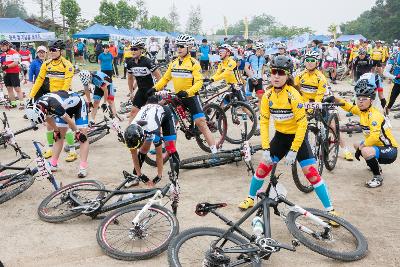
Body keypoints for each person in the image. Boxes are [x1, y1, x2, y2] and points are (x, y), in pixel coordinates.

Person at [238, 55, 339, 223]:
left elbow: (302, 124)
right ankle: (250, 197)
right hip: (280, 138)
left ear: (288, 76)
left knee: (311, 174)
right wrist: (265, 147)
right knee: (263, 168)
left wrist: (294, 149)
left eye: (281, 73)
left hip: (297, 137)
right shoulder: (268, 96)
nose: (276, 76)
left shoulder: (293, 95)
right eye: (273, 72)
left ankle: (331, 211)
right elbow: (263, 122)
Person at [148, 34, 220, 158]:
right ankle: (166, 148)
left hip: (191, 97)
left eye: (182, 46)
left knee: (201, 123)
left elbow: (199, 82)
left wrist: (188, 92)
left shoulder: (194, 63)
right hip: (178, 97)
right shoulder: (174, 63)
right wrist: (154, 88)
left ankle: (215, 152)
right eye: (177, 46)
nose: (179, 49)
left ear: (189, 47)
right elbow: (165, 79)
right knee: (169, 122)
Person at [335, 77, 398, 188]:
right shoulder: (362, 111)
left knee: (364, 150)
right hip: (377, 146)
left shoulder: (374, 116)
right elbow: (349, 107)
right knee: (356, 144)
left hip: (390, 149)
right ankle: (374, 164)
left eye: (364, 99)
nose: (360, 101)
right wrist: (335, 99)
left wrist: (361, 148)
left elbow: (373, 137)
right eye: (359, 98)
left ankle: (378, 177)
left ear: (372, 101)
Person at [295, 50, 353, 161]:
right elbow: (295, 92)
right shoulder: (300, 75)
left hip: (324, 99)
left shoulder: (320, 77)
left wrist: (311, 108)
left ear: (317, 63)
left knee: (333, 127)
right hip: (306, 103)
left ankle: (345, 150)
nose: (310, 62)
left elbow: (318, 97)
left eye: (313, 60)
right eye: (307, 60)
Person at [29, 40, 76, 161]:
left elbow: (66, 84)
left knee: (64, 124)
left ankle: (72, 150)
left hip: (64, 96)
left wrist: (59, 98)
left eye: (54, 50)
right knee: (49, 123)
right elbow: (39, 81)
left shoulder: (67, 65)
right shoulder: (46, 64)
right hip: (51, 96)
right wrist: (31, 96)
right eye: (50, 50)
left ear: (60, 51)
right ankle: (50, 148)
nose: (51, 52)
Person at [25, 90, 90, 178]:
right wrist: (56, 130)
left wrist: (77, 131)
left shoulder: (53, 105)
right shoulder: (37, 106)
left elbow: (67, 118)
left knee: (82, 137)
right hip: (64, 108)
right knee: (59, 136)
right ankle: (53, 164)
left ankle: (83, 167)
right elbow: (47, 117)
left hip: (77, 104)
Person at [124, 96, 180, 187]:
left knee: (171, 149)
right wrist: (140, 175)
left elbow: (159, 156)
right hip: (148, 118)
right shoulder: (129, 131)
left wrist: (158, 176)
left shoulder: (153, 130)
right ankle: (135, 176)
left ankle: (175, 182)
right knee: (143, 149)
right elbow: (133, 154)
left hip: (165, 114)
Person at [126, 39, 162, 121]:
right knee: (133, 113)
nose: (133, 51)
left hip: (152, 91)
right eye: (132, 49)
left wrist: (159, 90)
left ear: (141, 50)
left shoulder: (147, 62)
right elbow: (130, 78)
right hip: (141, 91)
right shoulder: (130, 63)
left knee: (152, 116)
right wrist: (131, 92)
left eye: (135, 49)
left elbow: (159, 77)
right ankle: (129, 132)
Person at [0, 39, 24, 109]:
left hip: (14, 73)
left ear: (8, 46)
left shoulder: (14, 52)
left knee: (17, 89)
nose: (2, 48)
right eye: (1, 46)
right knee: (9, 89)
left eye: (3, 46)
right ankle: (13, 104)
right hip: (6, 74)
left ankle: (22, 104)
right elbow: (1, 63)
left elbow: (16, 63)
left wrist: (7, 66)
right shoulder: (2, 54)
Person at [244, 42, 266, 109]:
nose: (264, 52)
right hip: (251, 79)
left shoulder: (263, 58)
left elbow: (263, 68)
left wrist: (262, 76)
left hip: (259, 79)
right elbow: (246, 68)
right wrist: (252, 77)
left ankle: (260, 113)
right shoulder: (250, 57)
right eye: (263, 50)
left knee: (260, 96)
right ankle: (247, 111)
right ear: (259, 49)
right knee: (248, 97)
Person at [383, 45, 400, 117]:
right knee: (390, 103)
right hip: (397, 82)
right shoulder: (394, 56)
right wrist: (395, 77)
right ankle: (385, 119)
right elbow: (385, 72)